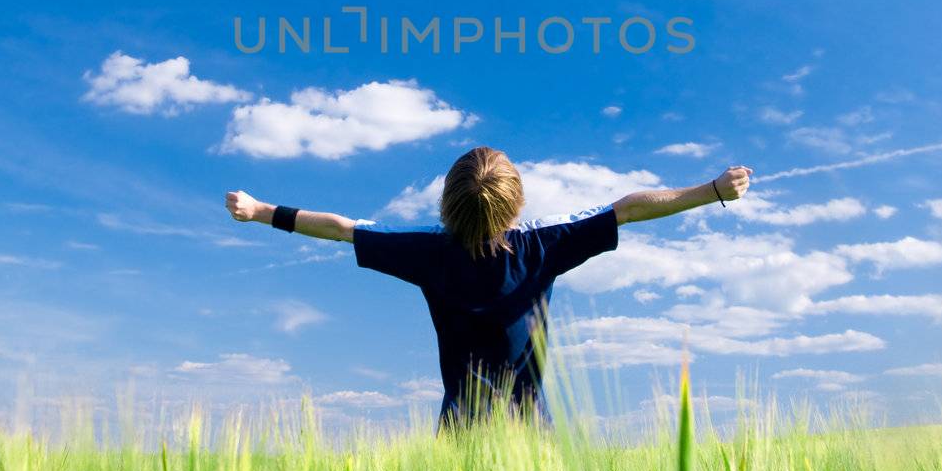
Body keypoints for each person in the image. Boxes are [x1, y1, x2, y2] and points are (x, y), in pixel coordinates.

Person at [225, 146, 752, 428]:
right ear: (516, 202)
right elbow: (629, 208)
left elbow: (342, 228)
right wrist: (711, 191)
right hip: (531, 436)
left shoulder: (425, 250)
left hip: (459, 430)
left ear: (446, 202)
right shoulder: (543, 244)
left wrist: (262, 211)